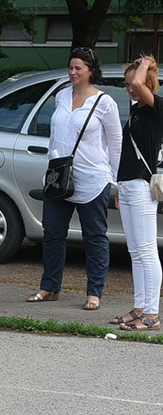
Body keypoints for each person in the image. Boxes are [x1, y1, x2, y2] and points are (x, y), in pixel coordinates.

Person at [27, 47, 122, 309]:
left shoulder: (105, 103)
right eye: (70, 67)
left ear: (91, 71)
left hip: (93, 178)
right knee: (52, 233)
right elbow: (56, 136)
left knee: (95, 236)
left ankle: (94, 293)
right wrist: (52, 163)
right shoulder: (61, 95)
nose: (72, 72)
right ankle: (50, 287)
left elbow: (116, 145)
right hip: (60, 178)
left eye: (78, 68)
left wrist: (118, 185)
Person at [112, 56, 162, 331]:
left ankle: (152, 314)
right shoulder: (136, 112)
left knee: (146, 250)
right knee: (135, 251)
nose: (130, 88)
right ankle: (140, 307)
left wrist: (144, 63)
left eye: (133, 83)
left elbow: (141, 84)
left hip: (143, 186)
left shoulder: (157, 107)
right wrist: (119, 187)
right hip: (128, 185)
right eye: (127, 84)